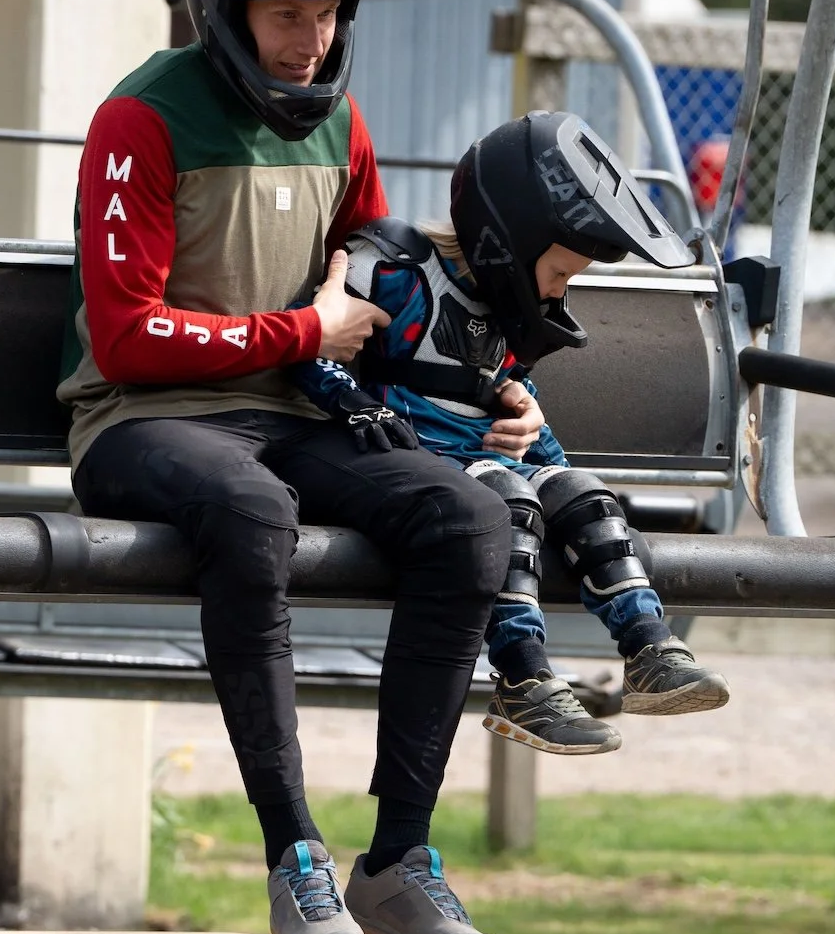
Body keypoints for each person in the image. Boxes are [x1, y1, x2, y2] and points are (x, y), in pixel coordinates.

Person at [58, 0, 521, 934]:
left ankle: (396, 860)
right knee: (251, 510)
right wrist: (301, 337)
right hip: (141, 421)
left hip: (293, 415)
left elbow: (375, 293)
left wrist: (489, 388)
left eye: (324, 15)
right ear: (218, 6)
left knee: (469, 524)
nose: (307, 41)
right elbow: (124, 338)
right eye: (282, 15)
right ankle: (293, 855)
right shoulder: (139, 121)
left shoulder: (340, 125)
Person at [289, 111, 733, 756]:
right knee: (511, 500)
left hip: (488, 459)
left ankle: (651, 651)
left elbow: (509, 393)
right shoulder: (395, 268)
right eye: (559, 273)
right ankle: (524, 678)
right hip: (419, 465)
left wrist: (534, 424)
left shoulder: (508, 308)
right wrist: (356, 404)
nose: (562, 290)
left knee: (583, 495)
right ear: (508, 240)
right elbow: (311, 345)